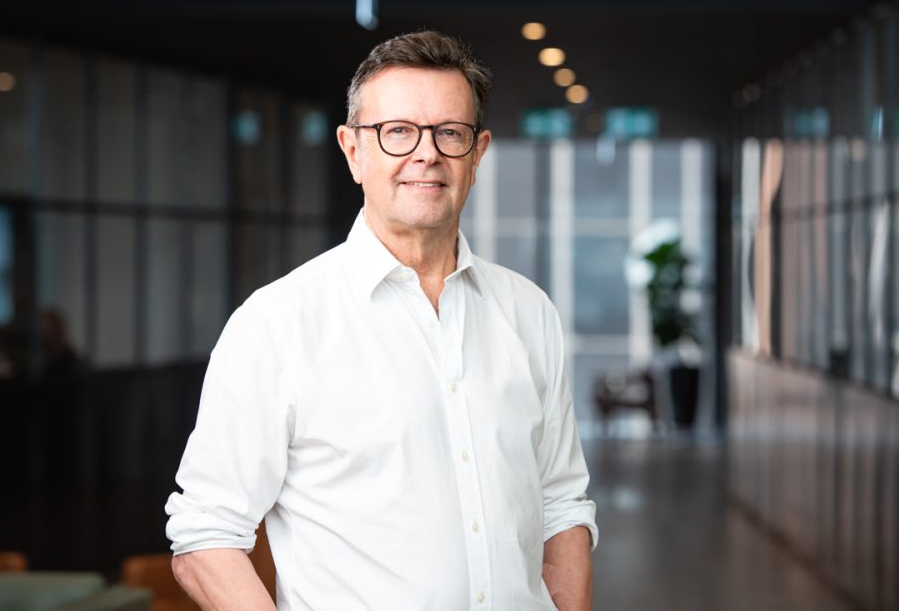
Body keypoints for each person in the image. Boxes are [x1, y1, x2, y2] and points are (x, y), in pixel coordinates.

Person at [165, 30, 597, 610]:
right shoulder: (278, 323)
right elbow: (205, 535)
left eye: (450, 133)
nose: (426, 154)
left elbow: (562, 504)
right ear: (352, 151)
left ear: (478, 153)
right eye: (397, 132)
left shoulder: (527, 311)